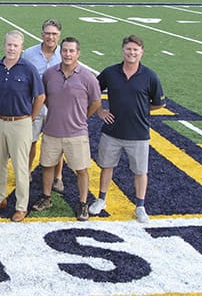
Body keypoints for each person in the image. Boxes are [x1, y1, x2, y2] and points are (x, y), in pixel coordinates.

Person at [90, 35, 165, 223]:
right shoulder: (110, 72)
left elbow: (159, 104)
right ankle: (101, 199)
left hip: (138, 133)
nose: (132, 52)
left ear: (142, 52)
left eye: (135, 50)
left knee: (140, 171)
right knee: (107, 166)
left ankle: (140, 206)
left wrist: (141, 111)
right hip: (112, 131)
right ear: (123, 50)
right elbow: (92, 91)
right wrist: (99, 111)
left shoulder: (150, 76)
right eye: (129, 49)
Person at [32, 37, 102, 221]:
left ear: (78, 53)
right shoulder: (49, 74)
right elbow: (44, 97)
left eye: (72, 51)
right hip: (52, 130)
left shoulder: (87, 77)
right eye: (65, 50)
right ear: (60, 52)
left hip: (76, 133)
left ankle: (83, 203)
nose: (68, 54)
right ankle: (46, 197)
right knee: (47, 166)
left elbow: (96, 102)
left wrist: (82, 117)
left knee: (81, 170)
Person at [0, 31, 45, 222]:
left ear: (21, 48)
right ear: (5, 45)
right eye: (9, 45)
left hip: (20, 122)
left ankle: (21, 206)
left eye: (16, 46)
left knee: (20, 167)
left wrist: (30, 118)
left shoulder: (29, 69)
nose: (12, 49)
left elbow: (40, 97)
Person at [22, 18, 65, 193]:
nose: (50, 37)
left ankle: (58, 177)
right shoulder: (29, 53)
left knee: (57, 144)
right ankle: (27, 171)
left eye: (54, 34)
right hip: (34, 104)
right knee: (30, 141)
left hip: (56, 107)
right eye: (47, 33)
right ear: (42, 34)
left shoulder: (65, 53)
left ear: (59, 35)